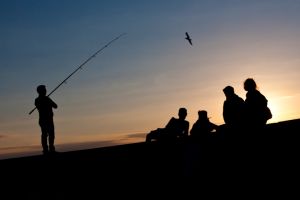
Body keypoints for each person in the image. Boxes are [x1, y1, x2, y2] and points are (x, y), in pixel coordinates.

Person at [35, 85, 58, 154]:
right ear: (40, 91)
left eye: (45, 90)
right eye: (44, 90)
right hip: (46, 120)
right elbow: (55, 106)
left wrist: (47, 99)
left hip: (44, 120)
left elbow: (55, 106)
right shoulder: (45, 99)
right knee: (47, 134)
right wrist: (48, 100)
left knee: (47, 134)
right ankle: (48, 150)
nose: (45, 91)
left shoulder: (37, 100)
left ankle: (48, 150)